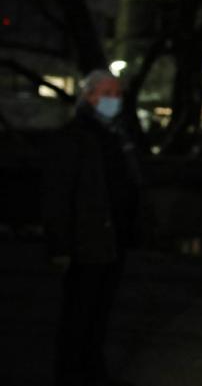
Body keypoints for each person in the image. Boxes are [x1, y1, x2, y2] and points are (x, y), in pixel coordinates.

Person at [43, 70, 141, 386]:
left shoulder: (116, 135)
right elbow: (59, 194)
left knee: (98, 315)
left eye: (118, 94)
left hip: (111, 239)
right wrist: (59, 245)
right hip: (86, 241)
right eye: (108, 93)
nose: (115, 100)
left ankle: (89, 370)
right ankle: (72, 374)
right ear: (90, 97)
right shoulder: (76, 135)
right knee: (78, 315)